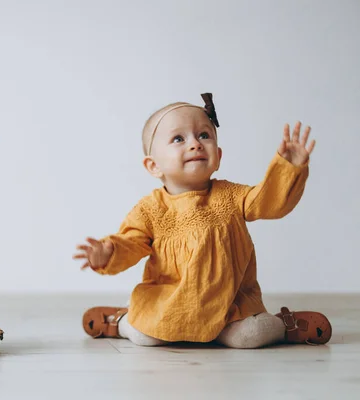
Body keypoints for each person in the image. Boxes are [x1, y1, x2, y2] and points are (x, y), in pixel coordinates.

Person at [73, 93, 331, 348]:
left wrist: (288, 168)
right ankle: (121, 321)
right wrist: (108, 252)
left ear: (218, 156)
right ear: (154, 166)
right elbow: (130, 243)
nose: (195, 144)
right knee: (145, 336)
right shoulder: (150, 209)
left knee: (249, 336)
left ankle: (284, 325)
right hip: (170, 303)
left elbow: (270, 203)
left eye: (204, 135)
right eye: (178, 138)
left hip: (230, 306)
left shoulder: (231, 196)